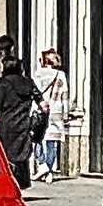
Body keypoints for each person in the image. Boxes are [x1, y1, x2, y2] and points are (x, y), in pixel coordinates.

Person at [0, 58, 44, 189]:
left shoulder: (4, 84)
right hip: (24, 123)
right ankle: (22, 182)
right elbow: (41, 101)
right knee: (22, 153)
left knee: (5, 154)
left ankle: (9, 182)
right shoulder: (28, 83)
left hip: (7, 124)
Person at [37, 50, 71, 181]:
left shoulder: (38, 74)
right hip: (56, 110)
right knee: (52, 142)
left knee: (37, 139)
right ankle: (49, 170)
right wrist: (66, 114)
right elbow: (65, 96)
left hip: (41, 109)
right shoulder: (61, 75)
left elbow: (35, 92)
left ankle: (42, 164)